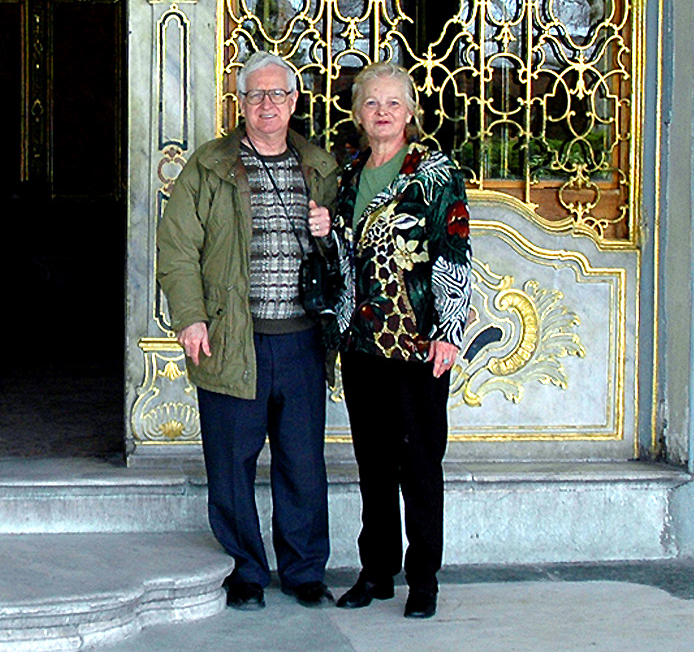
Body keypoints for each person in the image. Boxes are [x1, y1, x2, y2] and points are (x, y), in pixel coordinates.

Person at [155, 50, 340, 611]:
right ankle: (245, 570)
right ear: (241, 102)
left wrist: (330, 229)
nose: (267, 106)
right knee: (231, 463)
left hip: (302, 339)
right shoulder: (208, 166)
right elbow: (177, 248)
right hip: (233, 338)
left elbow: (356, 251)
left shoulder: (322, 169)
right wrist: (190, 316)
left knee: (302, 462)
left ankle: (305, 570)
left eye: (278, 95)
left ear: (295, 100)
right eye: (256, 95)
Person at [310, 61, 472, 620]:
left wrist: (449, 331)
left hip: (417, 342)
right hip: (362, 344)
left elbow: (453, 250)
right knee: (373, 464)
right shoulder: (350, 172)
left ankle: (422, 579)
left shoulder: (434, 172)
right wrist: (329, 234)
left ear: (410, 113)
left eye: (393, 103)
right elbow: (347, 259)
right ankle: (377, 571)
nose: (382, 112)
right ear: (358, 114)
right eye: (372, 103)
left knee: (420, 464)